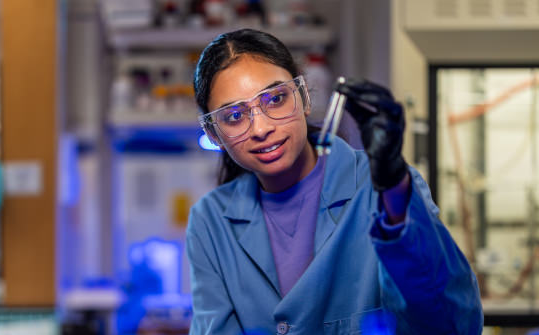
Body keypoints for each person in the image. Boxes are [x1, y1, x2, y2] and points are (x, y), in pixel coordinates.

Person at [186, 28, 483, 334]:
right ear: (213, 133)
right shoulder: (210, 221)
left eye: (275, 98)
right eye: (234, 116)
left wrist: (394, 192)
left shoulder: (383, 190)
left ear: (303, 97)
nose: (260, 128)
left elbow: (454, 326)